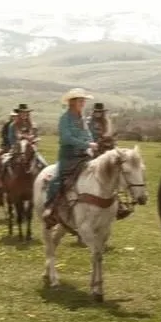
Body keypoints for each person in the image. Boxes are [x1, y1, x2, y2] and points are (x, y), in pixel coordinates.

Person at [43, 88, 97, 225]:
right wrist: (87, 145)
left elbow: (88, 134)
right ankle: (50, 208)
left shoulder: (82, 119)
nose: (83, 103)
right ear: (72, 102)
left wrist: (91, 143)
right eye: (80, 101)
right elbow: (67, 138)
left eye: (84, 101)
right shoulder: (65, 119)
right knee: (57, 179)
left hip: (84, 154)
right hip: (68, 155)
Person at [12, 103, 47, 169]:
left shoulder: (33, 125)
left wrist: (35, 140)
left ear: (28, 113)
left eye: (25, 112)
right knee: (4, 162)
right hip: (17, 149)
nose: (24, 114)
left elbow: (36, 136)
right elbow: (13, 137)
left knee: (43, 163)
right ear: (19, 113)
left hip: (31, 148)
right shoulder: (14, 125)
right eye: (22, 112)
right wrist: (20, 139)